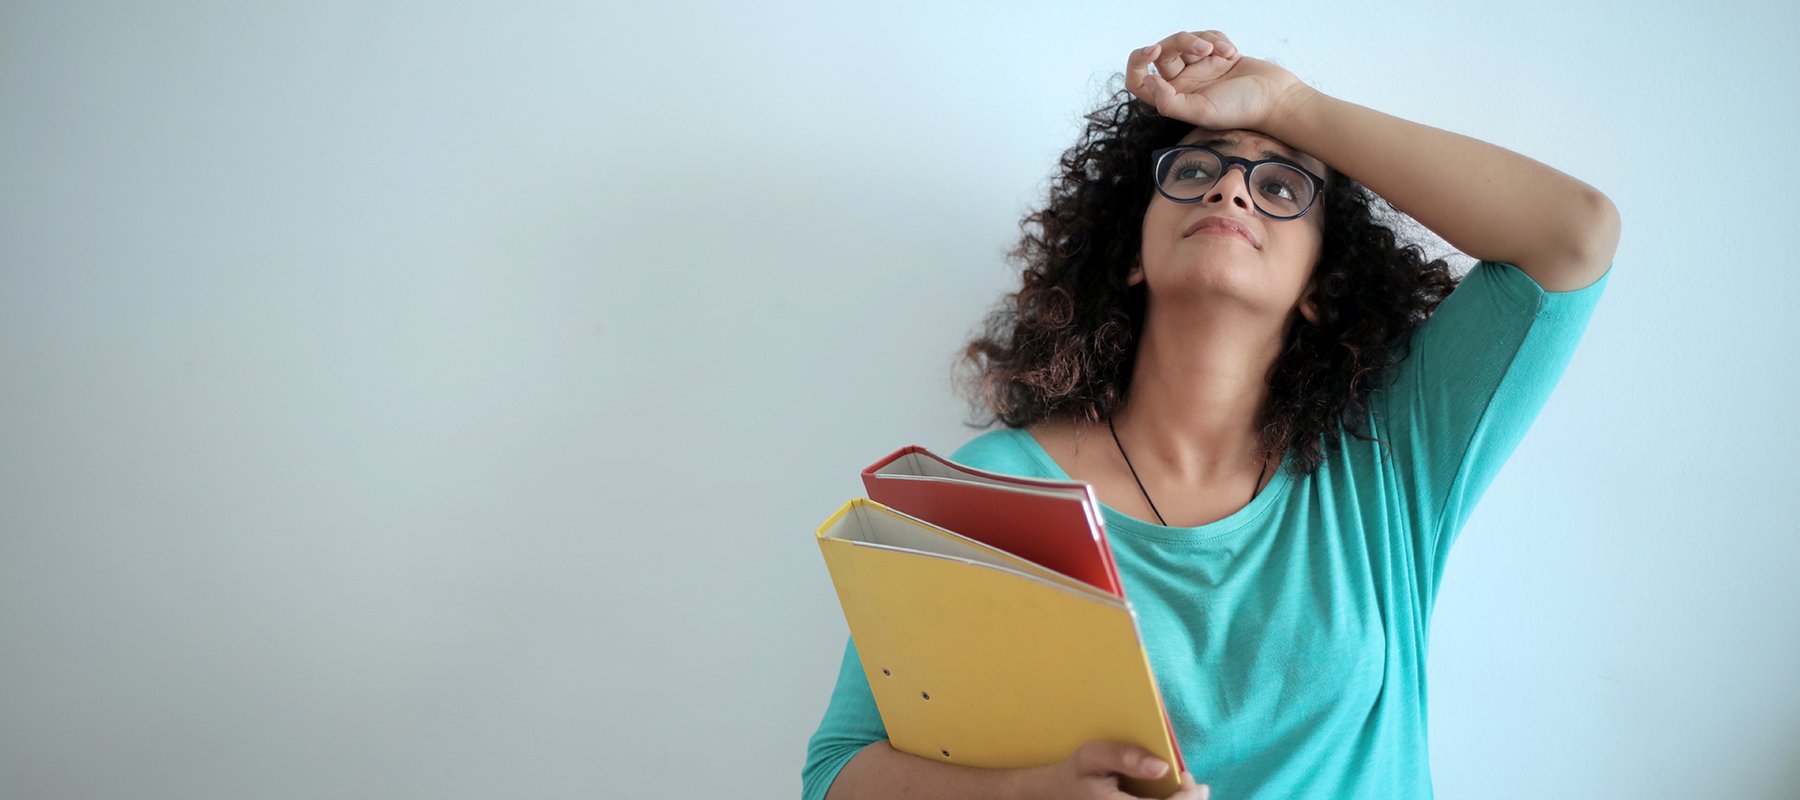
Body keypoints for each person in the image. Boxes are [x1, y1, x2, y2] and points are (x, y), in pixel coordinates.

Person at [803, 28, 1619, 800]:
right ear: (1130, 253)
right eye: (1195, 171)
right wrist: (1030, 794)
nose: (1231, 186)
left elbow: (1575, 235)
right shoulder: (986, 493)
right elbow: (836, 774)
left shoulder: (1390, 451)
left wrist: (1288, 105)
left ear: (1317, 287)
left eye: (1280, 186)